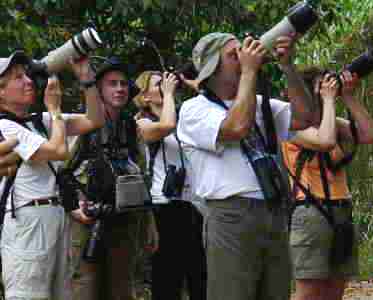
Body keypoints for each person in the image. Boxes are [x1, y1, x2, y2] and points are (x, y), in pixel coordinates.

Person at [177, 32, 315, 300]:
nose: (243, 57)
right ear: (212, 67)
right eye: (233, 55)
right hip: (231, 215)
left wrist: (288, 67)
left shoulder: (261, 105)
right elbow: (237, 127)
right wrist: (249, 72)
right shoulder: (194, 109)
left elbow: (306, 116)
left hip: (273, 210)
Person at [0, 50, 105, 300]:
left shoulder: (38, 122)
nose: (28, 81)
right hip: (28, 222)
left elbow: (95, 119)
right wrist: (55, 109)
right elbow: (59, 150)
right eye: (17, 78)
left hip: (55, 216)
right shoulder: (4, 126)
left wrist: (87, 79)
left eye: (26, 75)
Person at [282, 68, 373, 300]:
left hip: (341, 209)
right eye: (320, 86)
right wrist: (326, 101)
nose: (326, 90)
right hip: (311, 210)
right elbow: (325, 141)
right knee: (310, 292)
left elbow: (369, 134)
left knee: (335, 290)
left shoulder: (331, 121)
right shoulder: (290, 123)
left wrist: (347, 97)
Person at [69, 57, 158, 300]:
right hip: (88, 221)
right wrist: (74, 208)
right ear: (99, 89)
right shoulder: (82, 124)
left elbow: (142, 176)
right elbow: (61, 172)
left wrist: (148, 223)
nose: (119, 89)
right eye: (112, 84)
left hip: (126, 220)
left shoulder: (132, 127)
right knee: (85, 289)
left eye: (123, 84)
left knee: (122, 290)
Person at [134, 70, 207, 300]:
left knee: (201, 280)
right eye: (159, 84)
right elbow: (167, 125)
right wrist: (169, 95)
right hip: (164, 208)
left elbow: (213, 111)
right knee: (168, 282)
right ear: (144, 97)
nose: (167, 86)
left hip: (194, 206)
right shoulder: (142, 122)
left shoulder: (184, 117)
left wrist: (194, 85)